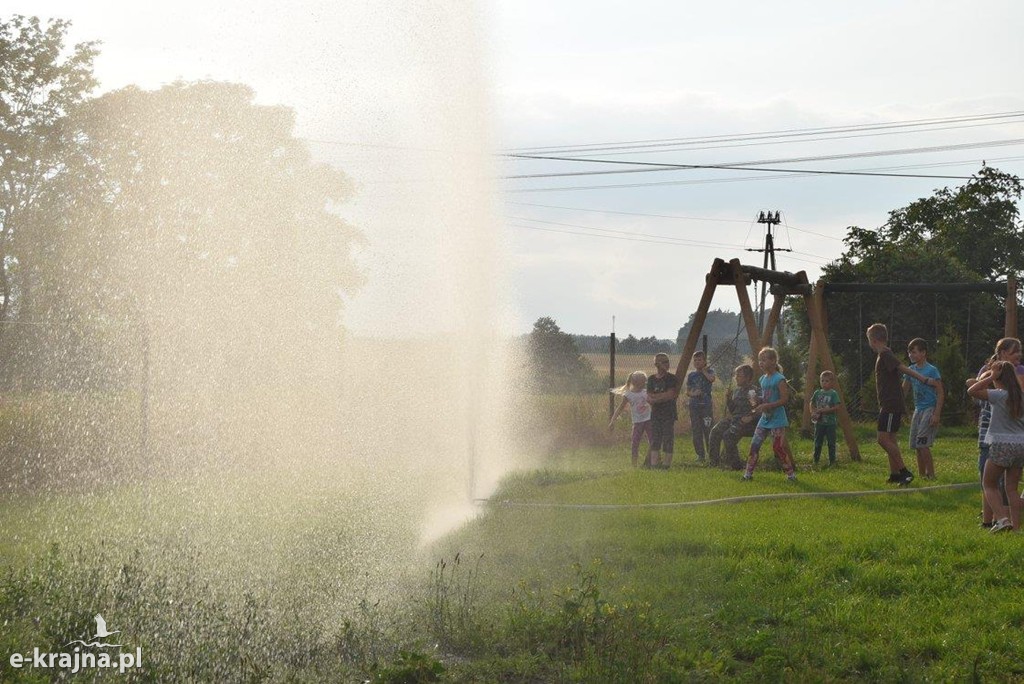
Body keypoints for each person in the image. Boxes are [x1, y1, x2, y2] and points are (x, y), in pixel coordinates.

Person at [865, 323, 940, 487]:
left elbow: (902, 368)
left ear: (874, 340)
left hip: (890, 405)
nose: (869, 343)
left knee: (882, 439)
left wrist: (923, 379)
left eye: (869, 340)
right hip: (889, 403)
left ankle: (904, 472)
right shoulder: (884, 354)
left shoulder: (885, 353)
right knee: (891, 438)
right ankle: (895, 474)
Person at [965, 338, 1024, 527]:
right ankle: (1016, 528)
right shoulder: (1021, 397)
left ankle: (1001, 520)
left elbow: (972, 390)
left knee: (988, 484)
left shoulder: (999, 395)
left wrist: (990, 376)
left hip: (1000, 445)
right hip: (1020, 446)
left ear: (998, 379)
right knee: (1012, 489)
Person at [742, 347, 797, 481]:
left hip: (777, 419)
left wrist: (767, 405)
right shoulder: (762, 379)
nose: (760, 363)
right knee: (754, 445)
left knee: (778, 448)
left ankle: (790, 475)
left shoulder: (779, 379)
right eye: (759, 360)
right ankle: (747, 475)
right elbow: (765, 397)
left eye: (764, 360)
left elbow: (784, 399)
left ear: (773, 361)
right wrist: (757, 400)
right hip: (765, 419)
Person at [902, 338, 943, 480]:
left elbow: (940, 392)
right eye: (909, 352)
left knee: (923, 443)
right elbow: (904, 390)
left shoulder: (932, 370)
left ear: (923, 353)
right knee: (916, 445)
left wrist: (936, 413)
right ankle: (921, 475)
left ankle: (931, 475)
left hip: (929, 409)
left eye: (914, 352)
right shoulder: (910, 370)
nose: (911, 355)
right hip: (917, 410)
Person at [708, 364, 760, 470]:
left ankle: (736, 467)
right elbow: (733, 410)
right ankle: (713, 463)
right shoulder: (737, 391)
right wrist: (728, 399)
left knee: (728, 436)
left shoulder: (751, 392)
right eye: (736, 375)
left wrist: (750, 417)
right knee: (715, 431)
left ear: (747, 377)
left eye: (739, 376)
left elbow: (756, 409)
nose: (736, 378)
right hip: (734, 419)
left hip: (747, 422)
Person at [609, 371, 652, 467]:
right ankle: (634, 465)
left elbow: (653, 403)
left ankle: (653, 461)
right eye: (643, 382)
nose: (645, 384)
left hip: (649, 420)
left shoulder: (645, 393)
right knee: (635, 443)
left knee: (653, 441)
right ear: (637, 383)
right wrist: (613, 420)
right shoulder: (629, 395)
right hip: (637, 422)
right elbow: (619, 408)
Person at [647, 352, 679, 469]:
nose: (667, 364)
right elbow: (649, 397)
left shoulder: (671, 378)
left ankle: (666, 466)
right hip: (655, 414)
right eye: (664, 362)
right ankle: (654, 465)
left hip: (668, 413)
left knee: (668, 439)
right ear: (657, 364)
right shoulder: (651, 379)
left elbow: (670, 395)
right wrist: (661, 397)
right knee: (655, 439)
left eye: (668, 361)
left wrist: (656, 398)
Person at [685, 350, 716, 463]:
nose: (697, 362)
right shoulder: (691, 375)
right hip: (694, 406)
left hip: (706, 406)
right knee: (696, 431)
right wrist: (693, 394)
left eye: (700, 360)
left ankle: (711, 454)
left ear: (704, 361)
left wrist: (704, 371)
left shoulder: (710, 371)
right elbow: (688, 391)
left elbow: (711, 379)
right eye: (695, 360)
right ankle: (700, 455)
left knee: (708, 429)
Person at [810, 370, 842, 467]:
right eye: (822, 380)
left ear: (831, 382)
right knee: (817, 442)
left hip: (830, 423)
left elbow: (837, 407)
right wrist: (812, 412)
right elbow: (811, 402)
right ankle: (815, 460)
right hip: (819, 423)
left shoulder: (833, 394)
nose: (824, 383)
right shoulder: (817, 393)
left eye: (827, 381)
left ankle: (832, 461)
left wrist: (825, 410)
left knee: (831, 443)